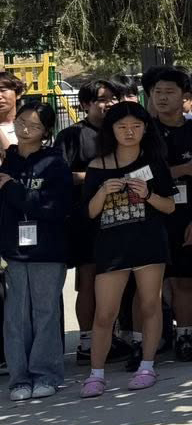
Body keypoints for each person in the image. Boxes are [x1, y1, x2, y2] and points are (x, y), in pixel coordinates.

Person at [80, 101, 177, 394]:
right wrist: (102, 191)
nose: (129, 132)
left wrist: (148, 194)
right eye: (122, 126)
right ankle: (96, 374)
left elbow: (170, 206)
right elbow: (89, 213)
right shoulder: (97, 165)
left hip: (149, 242)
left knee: (150, 305)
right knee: (104, 313)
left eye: (136, 126)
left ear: (146, 128)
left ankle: (147, 366)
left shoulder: (155, 162)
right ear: (111, 130)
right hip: (111, 247)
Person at [144, 67, 192, 361]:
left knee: (184, 281)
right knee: (148, 286)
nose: (162, 97)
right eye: (157, 92)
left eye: (169, 92)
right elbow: (142, 176)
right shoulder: (143, 132)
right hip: (149, 217)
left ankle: (185, 337)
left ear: (186, 95)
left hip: (185, 216)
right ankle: (147, 342)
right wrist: (183, 169)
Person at [4, 102, 72, 400]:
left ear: (46, 131)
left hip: (48, 248)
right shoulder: (7, 161)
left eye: (34, 125)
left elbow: (54, 207)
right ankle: (19, 378)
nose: (25, 129)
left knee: (45, 312)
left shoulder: (55, 163)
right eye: (21, 122)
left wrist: (14, 189)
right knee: (16, 316)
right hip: (13, 249)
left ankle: (46, 374)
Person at [59, 79, 123, 365]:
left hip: (122, 216)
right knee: (88, 279)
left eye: (113, 98)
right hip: (85, 218)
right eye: (101, 99)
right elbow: (61, 176)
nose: (108, 104)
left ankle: (114, 335)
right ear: (85, 104)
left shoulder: (123, 130)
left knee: (117, 278)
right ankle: (86, 341)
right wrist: (98, 178)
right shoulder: (72, 136)